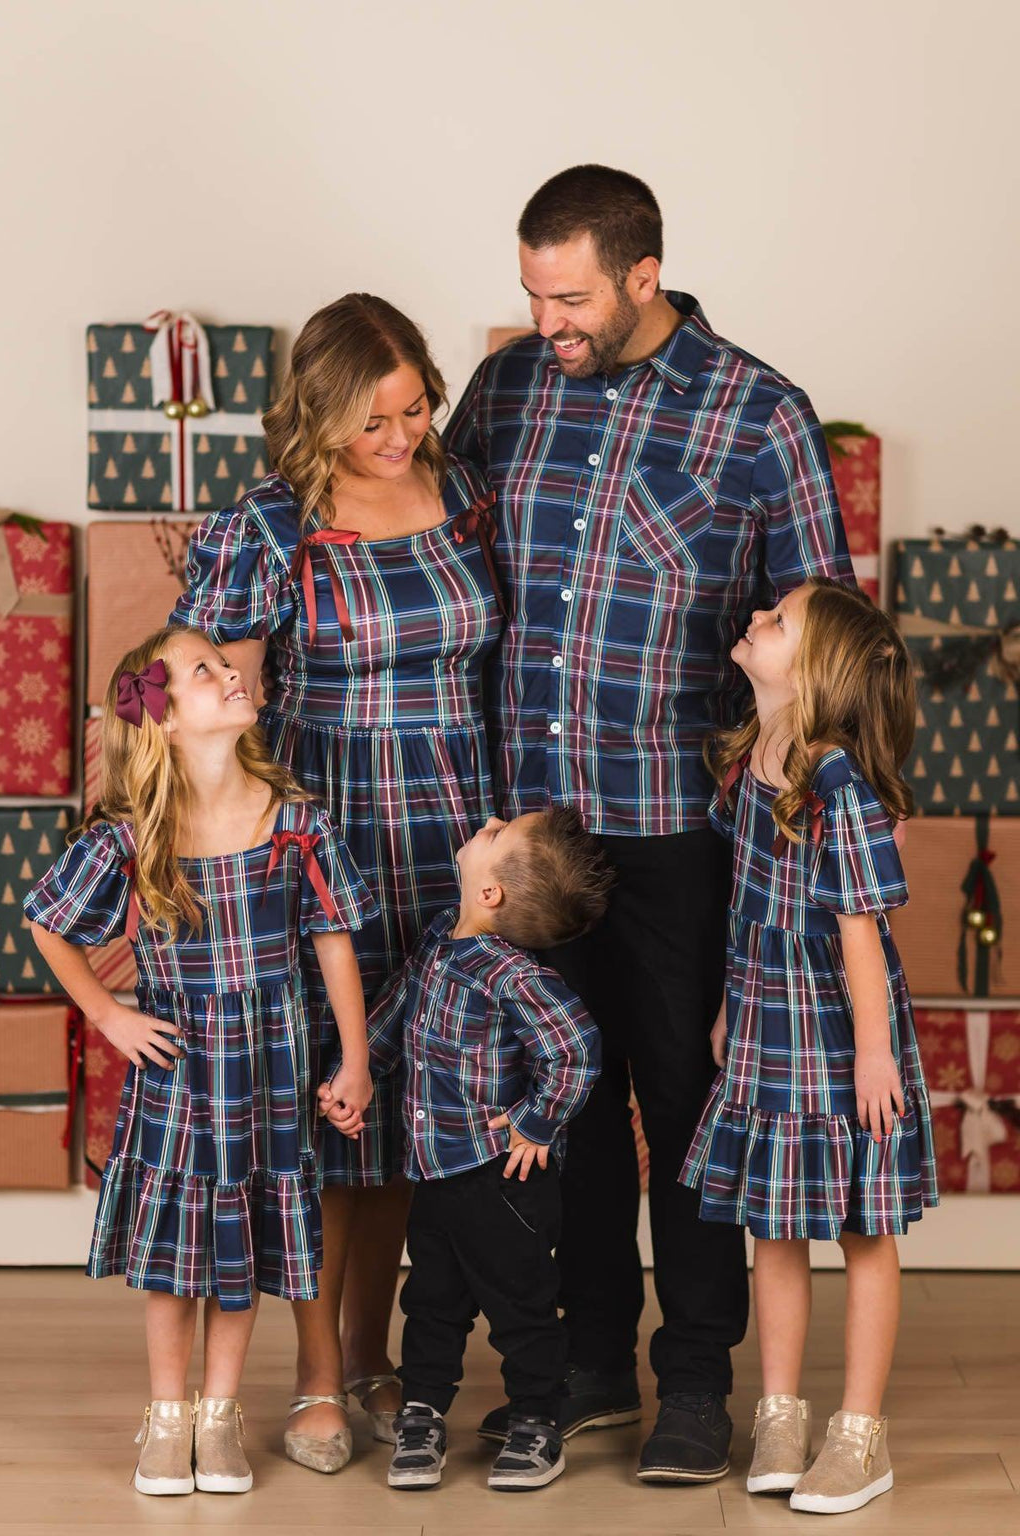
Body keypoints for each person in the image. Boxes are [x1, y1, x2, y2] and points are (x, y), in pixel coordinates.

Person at [445, 163, 857, 1482]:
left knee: (682, 1105)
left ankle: (695, 1381)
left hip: (682, 835)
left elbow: (830, 650)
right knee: (556, 1107)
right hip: (534, 835)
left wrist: (797, 846)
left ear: (643, 275)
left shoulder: (759, 415)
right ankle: (583, 1371)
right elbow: (425, 541)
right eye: (529, 295)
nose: (545, 323)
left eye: (568, 299)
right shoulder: (508, 390)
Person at [170, 295, 505, 1470]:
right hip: (328, 831)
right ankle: (315, 1379)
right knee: (326, 1110)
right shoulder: (268, 522)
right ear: (318, 411)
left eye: (417, 407)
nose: (401, 435)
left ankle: (376, 1358)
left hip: (456, 826)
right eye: (374, 420)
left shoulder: (463, 492)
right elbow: (198, 694)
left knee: (415, 1105)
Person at [24, 627, 374, 1496]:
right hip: (182, 1073)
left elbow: (333, 945)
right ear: (165, 718)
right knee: (182, 1252)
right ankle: (168, 1413)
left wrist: (356, 1061)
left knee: (242, 1240)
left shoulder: (294, 820)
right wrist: (107, 1014)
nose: (230, 672)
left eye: (227, 661)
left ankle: (220, 1417)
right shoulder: (135, 833)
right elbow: (46, 922)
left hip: (269, 1070)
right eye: (205, 671)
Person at [682, 578, 938, 1514]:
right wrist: (727, 1009)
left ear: (816, 668)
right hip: (764, 1024)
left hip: (840, 1033)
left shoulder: (839, 789)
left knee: (863, 1231)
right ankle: (781, 1413)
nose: (754, 620)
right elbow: (749, 910)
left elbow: (860, 932)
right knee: (775, 1225)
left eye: (776, 620)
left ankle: (860, 1433)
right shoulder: (752, 758)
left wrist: (874, 1054)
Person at [320, 808, 609, 1493]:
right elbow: (394, 1017)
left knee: (522, 1305)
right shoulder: (437, 943)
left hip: (500, 1180)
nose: (487, 821)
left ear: (491, 895)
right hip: (435, 1169)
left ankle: (538, 1418)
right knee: (431, 1300)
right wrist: (353, 1075)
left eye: (497, 834)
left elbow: (577, 1050)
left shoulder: (513, 976)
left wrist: (538, 1124)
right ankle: (423, 1411)